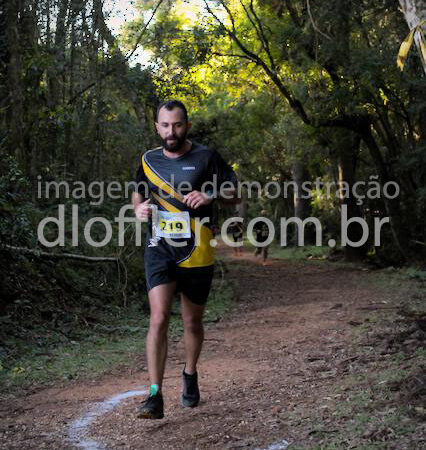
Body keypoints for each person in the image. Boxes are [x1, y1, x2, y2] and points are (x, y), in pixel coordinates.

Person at [131, 100, 239, 419]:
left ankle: (190, 373)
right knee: (159, 317)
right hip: (159, 247)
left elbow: (237, 193)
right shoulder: (148, 160)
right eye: (165, 125)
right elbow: (138, 191)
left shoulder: (206, 156)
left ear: (186, 125)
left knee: (191, 321)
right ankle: (154, 394)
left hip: (198, 248)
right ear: (157, 127)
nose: (171, 132)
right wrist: (138, 208)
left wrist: (211, 195)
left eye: (177, 125)